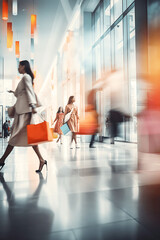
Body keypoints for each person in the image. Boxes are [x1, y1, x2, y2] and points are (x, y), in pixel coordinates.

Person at [0, 60, 47, 173]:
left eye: (19, 66)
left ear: (23, 66)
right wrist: (13, 91)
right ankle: (41, 160)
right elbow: (19, 93)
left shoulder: (26, 77)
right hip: (22, 111)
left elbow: (30, 91)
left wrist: (32, 105)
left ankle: (1, 160)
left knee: (14, 136)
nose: (18, 68)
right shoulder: (24, 78)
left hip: (24, 112)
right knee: (29, 137)